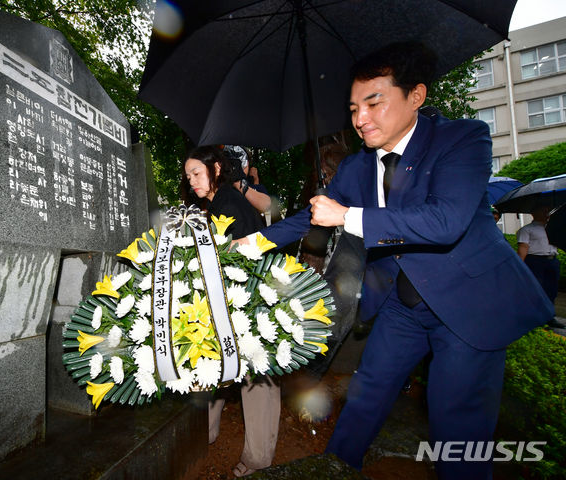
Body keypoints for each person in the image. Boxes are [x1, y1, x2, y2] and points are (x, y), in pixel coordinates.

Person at [238, 42, 553, 479]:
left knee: (456, 425)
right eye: (352, 108)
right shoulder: (354, 168)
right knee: (366, 393)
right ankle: (336, 467)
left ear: (415, 97)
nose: (360, 118)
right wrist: (249, 246)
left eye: (374, 102)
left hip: (467, 305)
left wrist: (347, 216)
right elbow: (309, 216)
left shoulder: (462, 139)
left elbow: (446, 221)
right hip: (402, 306)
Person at [180, 145, 280, 477]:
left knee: (257, 377)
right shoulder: (215, 204)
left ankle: (257, 459)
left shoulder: (228, 202)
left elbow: (234, 256)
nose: (192, 180)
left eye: (196, 172)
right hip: (227, 302)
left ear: (217, 170)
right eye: (188, 175)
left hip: (249, 302)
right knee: (214, 364)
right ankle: (205, 432)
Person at [517, 205, 560, 303]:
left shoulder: (553, 228)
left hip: (552, 260)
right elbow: (523, 248)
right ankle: (537, 314)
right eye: (543, 211)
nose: (546, 213)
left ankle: (550, 312)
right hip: (535, 261)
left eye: (547, 211)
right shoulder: (526, 229)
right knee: (537, 288)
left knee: (552, 289)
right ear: (534, 213)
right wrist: (520, 266)